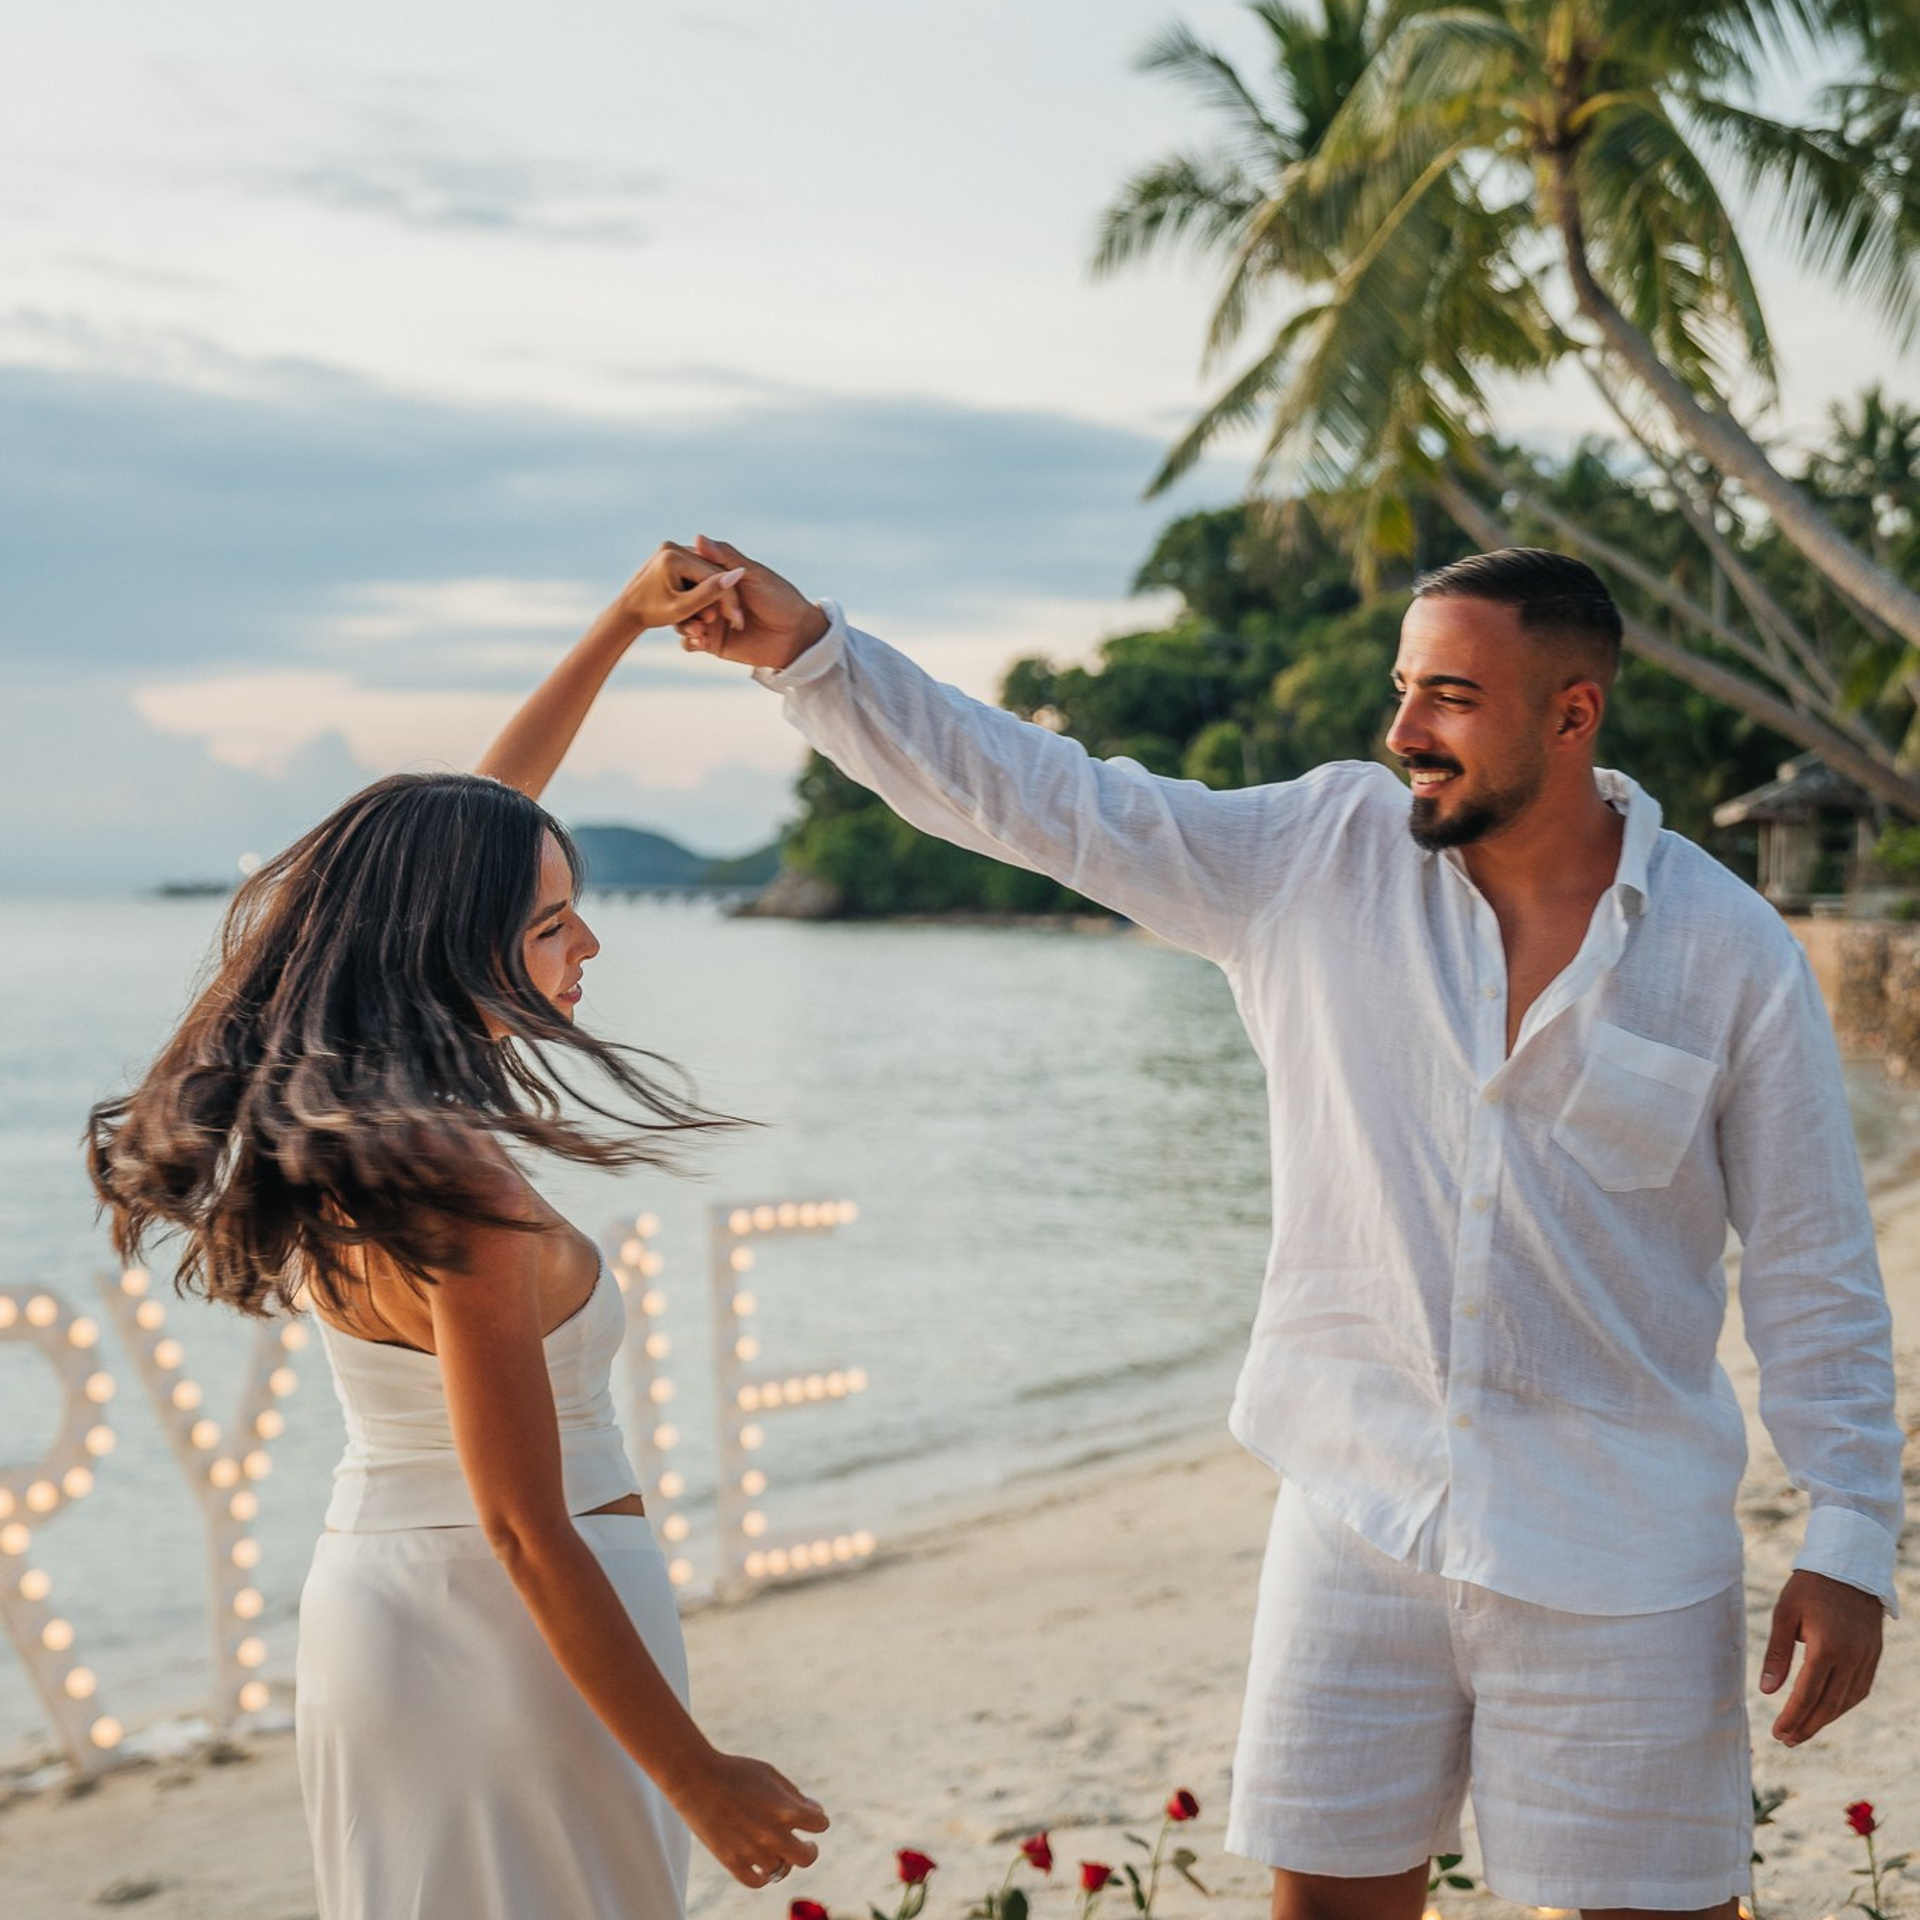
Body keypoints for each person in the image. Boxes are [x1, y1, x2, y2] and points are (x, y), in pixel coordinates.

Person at [669, 535, 1903, 1920]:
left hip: (1621, 1554)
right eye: (1403, 689)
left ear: (1574, 714)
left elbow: (1812, 1263)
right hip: (1356, 1511)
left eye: (1451, 697)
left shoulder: (1727, 949)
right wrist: (815, 658)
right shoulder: (1317, 855)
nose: (1402, 732)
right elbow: (1050, 802)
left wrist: (1849, 1534)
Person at [87, 547, 829, 1920]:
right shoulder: (453, 1178)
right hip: (509, 1640)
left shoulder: (371, 1114)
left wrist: (616, 628)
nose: (586, 949)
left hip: (390, 1613)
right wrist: (697, 1774)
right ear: (453, 948)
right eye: (552, 926)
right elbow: (521, 1523)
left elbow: (475, 828)